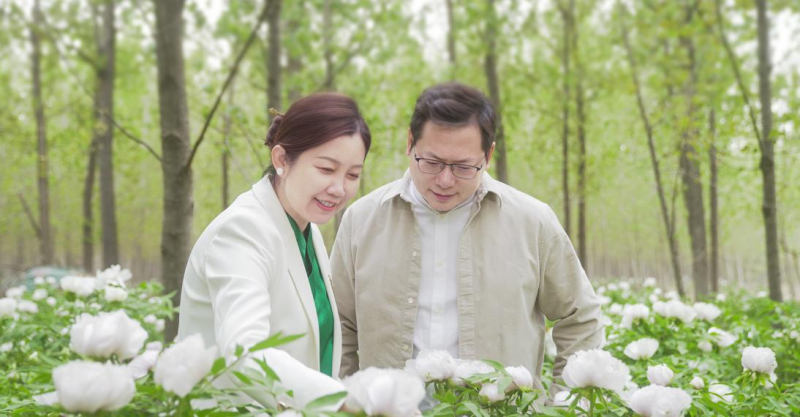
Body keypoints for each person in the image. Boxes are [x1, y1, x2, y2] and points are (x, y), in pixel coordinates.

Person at [330, 82, 603, 396]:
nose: (445, 180)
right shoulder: (361, 221)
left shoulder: (534, 223)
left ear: (488, 155)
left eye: (463, 167)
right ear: (410, 143)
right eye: (431, 162)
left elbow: (580, 318)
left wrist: (563, 404)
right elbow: (339, 328)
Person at [178, 93, 371, 408]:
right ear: (281, 160)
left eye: (352, 175)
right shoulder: (242, 230)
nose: (339, 189)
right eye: (326, 169)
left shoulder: (308, 230)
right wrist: (341, 401)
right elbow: (244, 351)